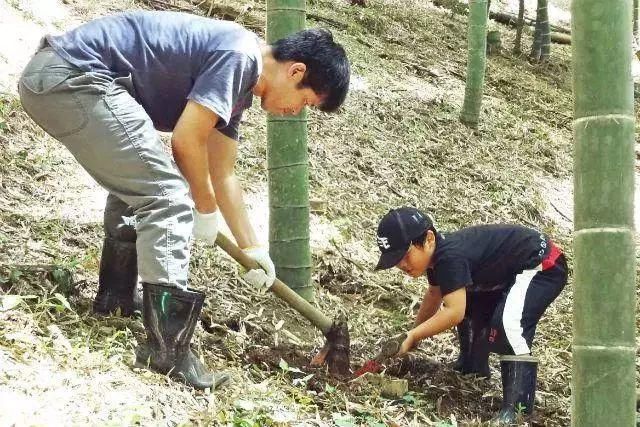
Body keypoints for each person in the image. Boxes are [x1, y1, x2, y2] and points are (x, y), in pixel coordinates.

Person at [18, 10, 350, 390]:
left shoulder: (239, 86)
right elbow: (185, 141)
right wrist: (202, 209)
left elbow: (223, 174)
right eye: (306, 101)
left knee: (143, 185)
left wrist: (253, 248)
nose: (296, 111)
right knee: (168, 195)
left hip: (65, 77)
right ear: (296, 72)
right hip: (72, 77)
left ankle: (116, 297)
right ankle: (168, 350)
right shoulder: (240, 56)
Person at [374, 207, 567, 424]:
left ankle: (518, 408)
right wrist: (412, 335)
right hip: (506, 273)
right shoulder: (438, 259)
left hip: (541, 265)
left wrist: (413, 336)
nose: (402, 265)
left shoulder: (450, 257)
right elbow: (434, 295)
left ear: (428, 239)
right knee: (466, 301)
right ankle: (473, 366)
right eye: (395, 261)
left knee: (509, 323)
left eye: (404, 256)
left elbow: (453, 313)